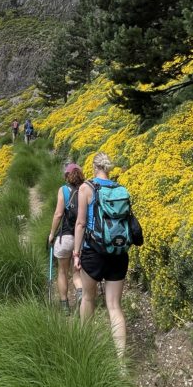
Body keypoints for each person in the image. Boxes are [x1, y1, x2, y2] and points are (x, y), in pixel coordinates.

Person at [73, 151, 128, 357]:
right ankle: (121, 363)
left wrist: (76, 253)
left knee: (88, 298)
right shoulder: (120, 188)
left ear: (95, 167)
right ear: (108, 168)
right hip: (118, 252)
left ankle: (84, 347)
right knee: (114, 306)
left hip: (93, 252)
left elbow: (80, 223)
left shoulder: (86, 188)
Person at [48, 162, 84, 313]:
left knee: (62, 272)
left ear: (67, 176)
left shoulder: (63, 190)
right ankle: (81, 293)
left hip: (65, 237)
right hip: (81, 239)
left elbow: (58, 214)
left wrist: (51, 234)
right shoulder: (86, 189)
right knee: (77, 271)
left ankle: (65, 306)